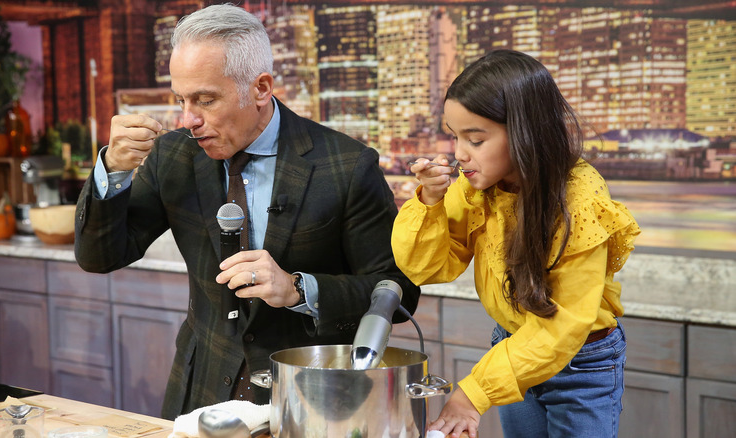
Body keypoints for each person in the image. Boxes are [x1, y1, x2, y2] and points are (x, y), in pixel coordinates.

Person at [74, 4, 420, 420]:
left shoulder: (347, 166)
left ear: (260, 88)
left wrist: (297, 289)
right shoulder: (173, 156)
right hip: (200, 392)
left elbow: (398, 292)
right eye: (181, 99)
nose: (189, 120)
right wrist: (112, 169)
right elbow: (99, 257)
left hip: (311, 399)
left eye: (206, 100)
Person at [392, 49, 641, 438]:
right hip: (512, 346)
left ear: (527, 131)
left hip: (581, 363)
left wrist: (473, 394)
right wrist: (429, 202)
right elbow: (428, 268)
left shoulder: (578, 196)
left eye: (475, 139)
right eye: (454, 136)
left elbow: (563, 327)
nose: (458, 154)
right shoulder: (478, 187)